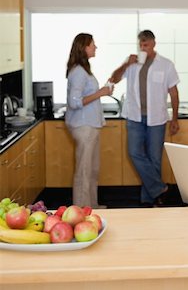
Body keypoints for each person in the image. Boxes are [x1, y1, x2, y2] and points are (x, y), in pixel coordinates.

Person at [110, 29, 180, 206]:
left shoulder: (166, 65)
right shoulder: (132, 63)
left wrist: (175, 118)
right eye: (141, 44)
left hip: (157, 119)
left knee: (154, 158)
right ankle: (160, 190)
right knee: (134, 153)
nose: (143, 48)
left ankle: (149, 201)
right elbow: (114, 79)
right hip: (134, 117)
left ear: (154, 44)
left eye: (146, 45)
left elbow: (173, 92)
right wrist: (126, 64)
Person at [65, 33, 113, 208]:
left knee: (92, 169)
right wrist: (101, 93)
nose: (95, 47)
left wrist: (102, 91)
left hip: (90, 125)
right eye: (93, 44)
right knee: (84, 171)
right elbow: (74, 101)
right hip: (83, 126)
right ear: (83, 47)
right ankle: (81, 211)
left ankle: (91, 206)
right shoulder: (78, 71)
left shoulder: (84, 70)